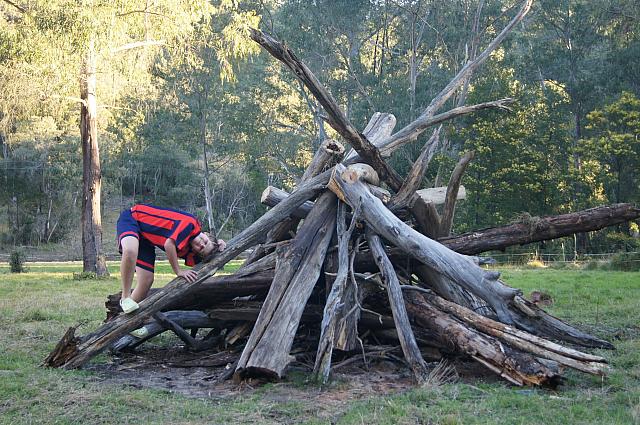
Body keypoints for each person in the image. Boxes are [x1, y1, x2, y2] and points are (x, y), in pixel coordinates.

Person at [116, 204, 226, 315]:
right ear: (206, 234)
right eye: (205, 241)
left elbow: (203, 260)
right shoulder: (191, 224)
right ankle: (125, 297)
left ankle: (124, 317)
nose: (202, 244)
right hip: (133, 218)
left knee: (146, 280)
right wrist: (178, 271)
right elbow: (169, 244)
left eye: (201, 248)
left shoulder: (188, 249)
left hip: (146, 239)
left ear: (195, 251)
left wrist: (218, 247)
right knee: (130, 251)